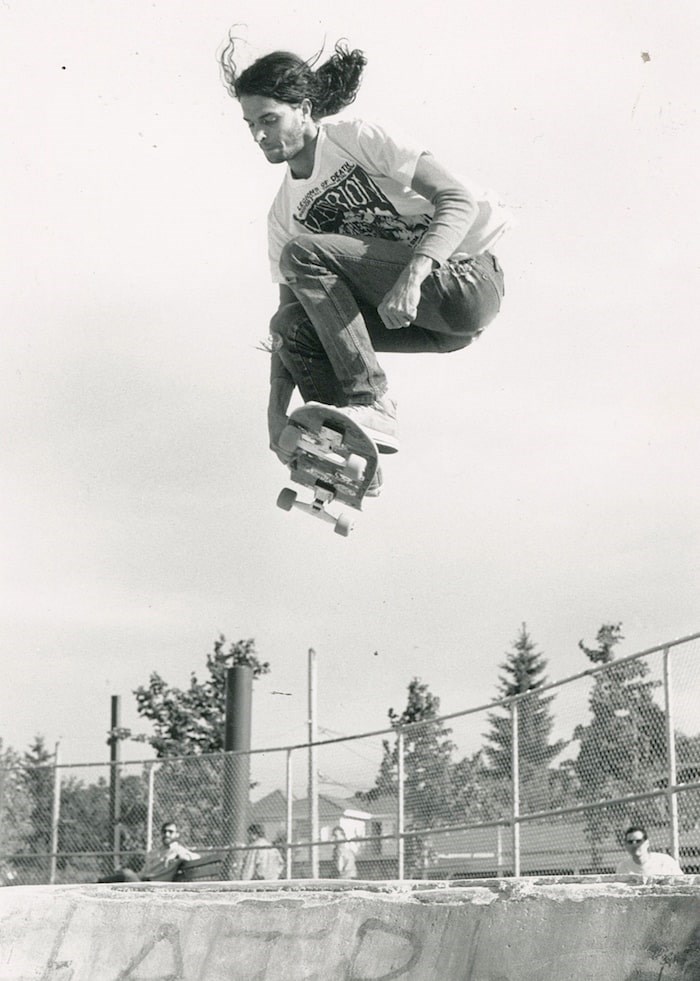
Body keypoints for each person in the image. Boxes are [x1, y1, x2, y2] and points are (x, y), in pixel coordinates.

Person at [220, 38, 511, 489]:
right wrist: (275, 415)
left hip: (464, 280)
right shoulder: (283, 214)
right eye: (250, 124)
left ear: (305, 109)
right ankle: (346, 453)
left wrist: (415, 275)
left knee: (304, 252)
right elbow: (286, 326)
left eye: (269, 120)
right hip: (426, 327)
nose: (259, 136)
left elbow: (457, 199)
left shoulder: (355, 137)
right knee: (293, 324)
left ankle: (369, 400)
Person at [98, 820, 200, 882]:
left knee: (126, 873)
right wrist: (135, 876)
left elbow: (197, 857)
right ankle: (97, 886)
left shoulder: (178, 850)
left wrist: (182, 856)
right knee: (124, 873)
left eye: (170, 832)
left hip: (155, 887)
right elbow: (144, 873)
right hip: (144, 882)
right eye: (164, 831)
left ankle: (96, 885)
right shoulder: (156, 851)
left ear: (177, 834)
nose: (167, 834)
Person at [616, 825, 683, 876]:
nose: (634, 845)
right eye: (630, 842)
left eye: (638, 841)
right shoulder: (623, 868)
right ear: (626, 845)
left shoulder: (664, 862)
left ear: (647, 843)